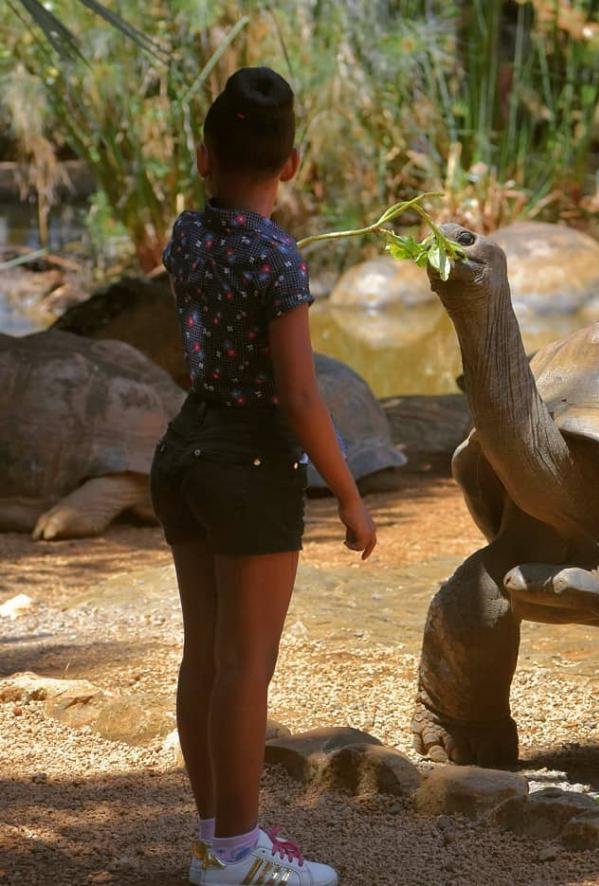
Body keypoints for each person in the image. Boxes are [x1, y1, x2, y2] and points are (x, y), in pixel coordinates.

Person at [151, 66, 376, 886]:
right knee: (246, 665)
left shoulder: (185, 234)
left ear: (205, 155)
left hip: (184, 455)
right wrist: (349, 494)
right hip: (248, 468)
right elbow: (300, 391)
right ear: (292, 164)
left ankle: (220, 838)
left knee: (204, 659)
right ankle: (238, 859)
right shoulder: (277, 258)